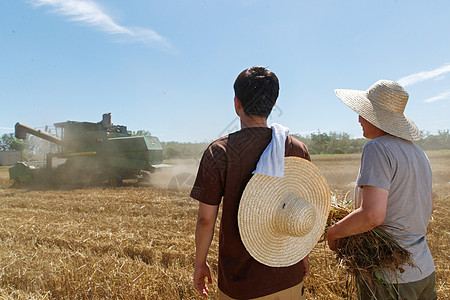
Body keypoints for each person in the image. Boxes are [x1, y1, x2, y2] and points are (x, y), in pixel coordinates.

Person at [191, 66, 311, 299]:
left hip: (242, 284)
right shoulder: (296, 148)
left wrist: (200, 263)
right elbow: (302, 212)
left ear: (237, 103)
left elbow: (206, 219)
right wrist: (303, 256)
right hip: (289, 275)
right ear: (273, 104)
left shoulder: (220, 152)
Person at [327, 80, 437, 299]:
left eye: (363, 113)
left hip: (390, 279)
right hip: (423, 271)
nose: (358, 118)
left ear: (376, 117)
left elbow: (372, 215)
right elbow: (428, 207)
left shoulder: (377, 148)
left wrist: (334, 232)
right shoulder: (418, 153)